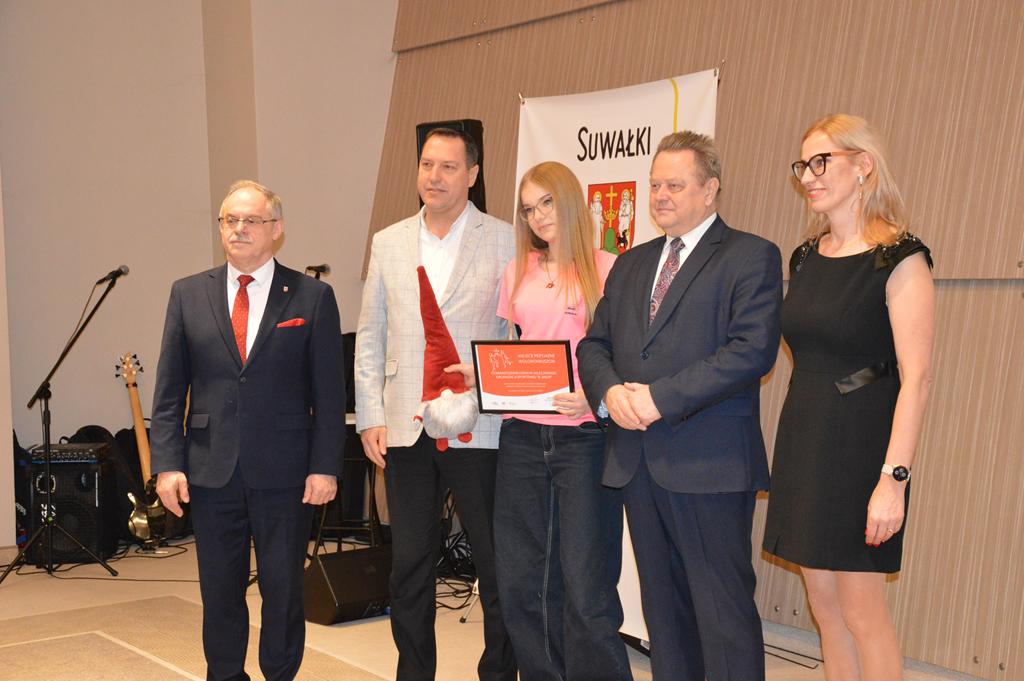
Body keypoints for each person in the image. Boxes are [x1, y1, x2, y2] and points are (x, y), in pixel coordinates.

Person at [577, 131, 783, 681]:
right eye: (654, 185)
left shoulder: (751, 256)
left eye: (674, 185)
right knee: (663, 615)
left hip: (709, 464)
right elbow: (594, 346)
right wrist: (610, 392)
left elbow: (751, 351)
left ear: (710, 190)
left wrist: (657, 400)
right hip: (637, 462)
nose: (660, 196)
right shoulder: (630, 264)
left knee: (722, 615)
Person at [150, 180, 346, 681]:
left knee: (283, 590)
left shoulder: (313, 297)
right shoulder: (187, 293)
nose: (238, 229)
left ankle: (280, 674)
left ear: (276, 229)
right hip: (210, 470)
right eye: (229, 220)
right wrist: (167, 465)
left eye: (251, 220)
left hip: (286, 472)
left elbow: (329, 394)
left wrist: (325, 466)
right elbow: (169, 391)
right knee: (219, 590)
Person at [762, 114, 934, 681]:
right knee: (825, 609)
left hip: (863, 448)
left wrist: (894, 480)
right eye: (803, 165)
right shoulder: (805, 257)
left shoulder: (900, 256)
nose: (808, 176)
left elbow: (917, 378)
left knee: (862, 612)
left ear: (863, 165)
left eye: (822, 161)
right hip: (806, 435)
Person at [354, 127, 517, 681]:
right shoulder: (389, 241)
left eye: (449, 167)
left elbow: (516, 335)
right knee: (410, 565)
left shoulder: (505, 239)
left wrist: (492, 382)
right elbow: (370, 335)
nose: (435, 176)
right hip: (406, 427)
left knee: (495, 563)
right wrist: (370, 417)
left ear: (472, 174)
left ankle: (499, 672)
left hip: (480, 426)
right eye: (427, 164)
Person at [482, 161, 632, 681]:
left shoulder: (609, 269)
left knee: (587, 585)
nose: (538, 216)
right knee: (522, 580)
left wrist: (594, 399)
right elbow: (515, 347)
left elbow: (626, 356)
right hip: (521, 435)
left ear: (569, 200)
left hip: (585, 438)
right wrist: (483, 374)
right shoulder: (517, 270)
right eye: (528, 208)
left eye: (546, 202)